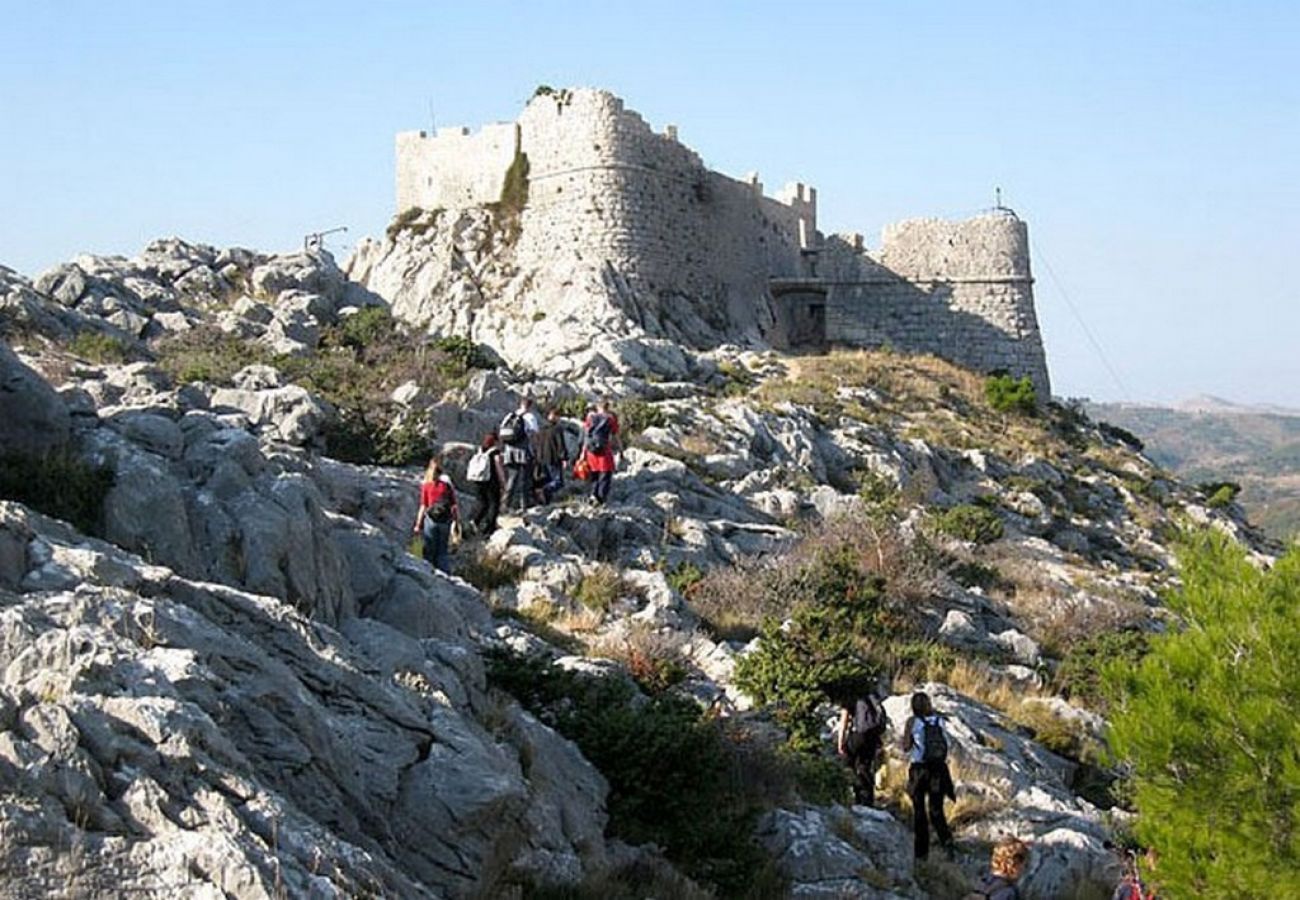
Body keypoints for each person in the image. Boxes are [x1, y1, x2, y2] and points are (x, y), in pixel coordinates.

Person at [901, 691, 955, 860]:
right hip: (938, 769)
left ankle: (921, 852)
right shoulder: (939, 721)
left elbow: (906, 746)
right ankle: (947, 842)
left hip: (919, 769)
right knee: (936, 809)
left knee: (919, 810)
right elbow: (948, 744)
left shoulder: (912, 722)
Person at [836, 684, 887, 806]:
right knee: (865, 765)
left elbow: (844, 721)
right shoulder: (872, 695)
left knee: (848, 762)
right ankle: (868, 799)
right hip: (873, 736)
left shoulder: (851, 696)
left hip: (858, 734)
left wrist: (840, 742)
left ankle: (854, 793)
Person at [412, 457, 460, 574]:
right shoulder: (446, 486)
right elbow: (454, 505)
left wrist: (418, 525)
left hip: (431, 520)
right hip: (445, 520)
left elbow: (423, 506)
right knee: (442, 551)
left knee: (429, 549)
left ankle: (428, 573)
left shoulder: (426, 486)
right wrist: (456, 521)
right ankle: (445, 574)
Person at [499, 394, 541, 513]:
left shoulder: (510, 415)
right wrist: (536, 451)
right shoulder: (530, 417)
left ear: (520, 404)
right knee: (525, 479)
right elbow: (535, 435)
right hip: (523, 450)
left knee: (512, 478)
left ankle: (505, 504)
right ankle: (524, 506)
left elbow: (502, 431)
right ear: (530, 406)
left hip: (509, 451)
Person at [581, 396, 621, 506]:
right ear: (607, 407)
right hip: (604, 450)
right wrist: (620, 450)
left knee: (593, 473)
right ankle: (600, 498)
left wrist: (582, 453)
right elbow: (615, 436)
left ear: (597, 406)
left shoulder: (590, 418)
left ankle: (592, 494)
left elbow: (586, 435)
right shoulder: (610, 419)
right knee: (605, 474)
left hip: (591, 451)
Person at [466, 432, 506, 536]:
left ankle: (473, 521)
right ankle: (489, 528)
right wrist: (503, 482)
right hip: (491, 481)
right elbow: (499, 468)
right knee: (494, 504)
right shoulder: (495, 452)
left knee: (481, 502)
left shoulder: (480, 450)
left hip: (478, 480)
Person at [965, 836, 1030, 900]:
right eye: (1024, 865)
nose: (1024, 869)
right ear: (1014, 864)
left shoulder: (983, 881)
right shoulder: (1009, 892)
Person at [534, 407, 569, 504]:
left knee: (547, 479)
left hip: (542, 459)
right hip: (553, 458)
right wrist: (564, 458)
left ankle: (546, 501)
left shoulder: (541, 429)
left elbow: (537, 444)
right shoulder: (557, 429)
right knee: (558, 482)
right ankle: (543, 491)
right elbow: (560, 444)